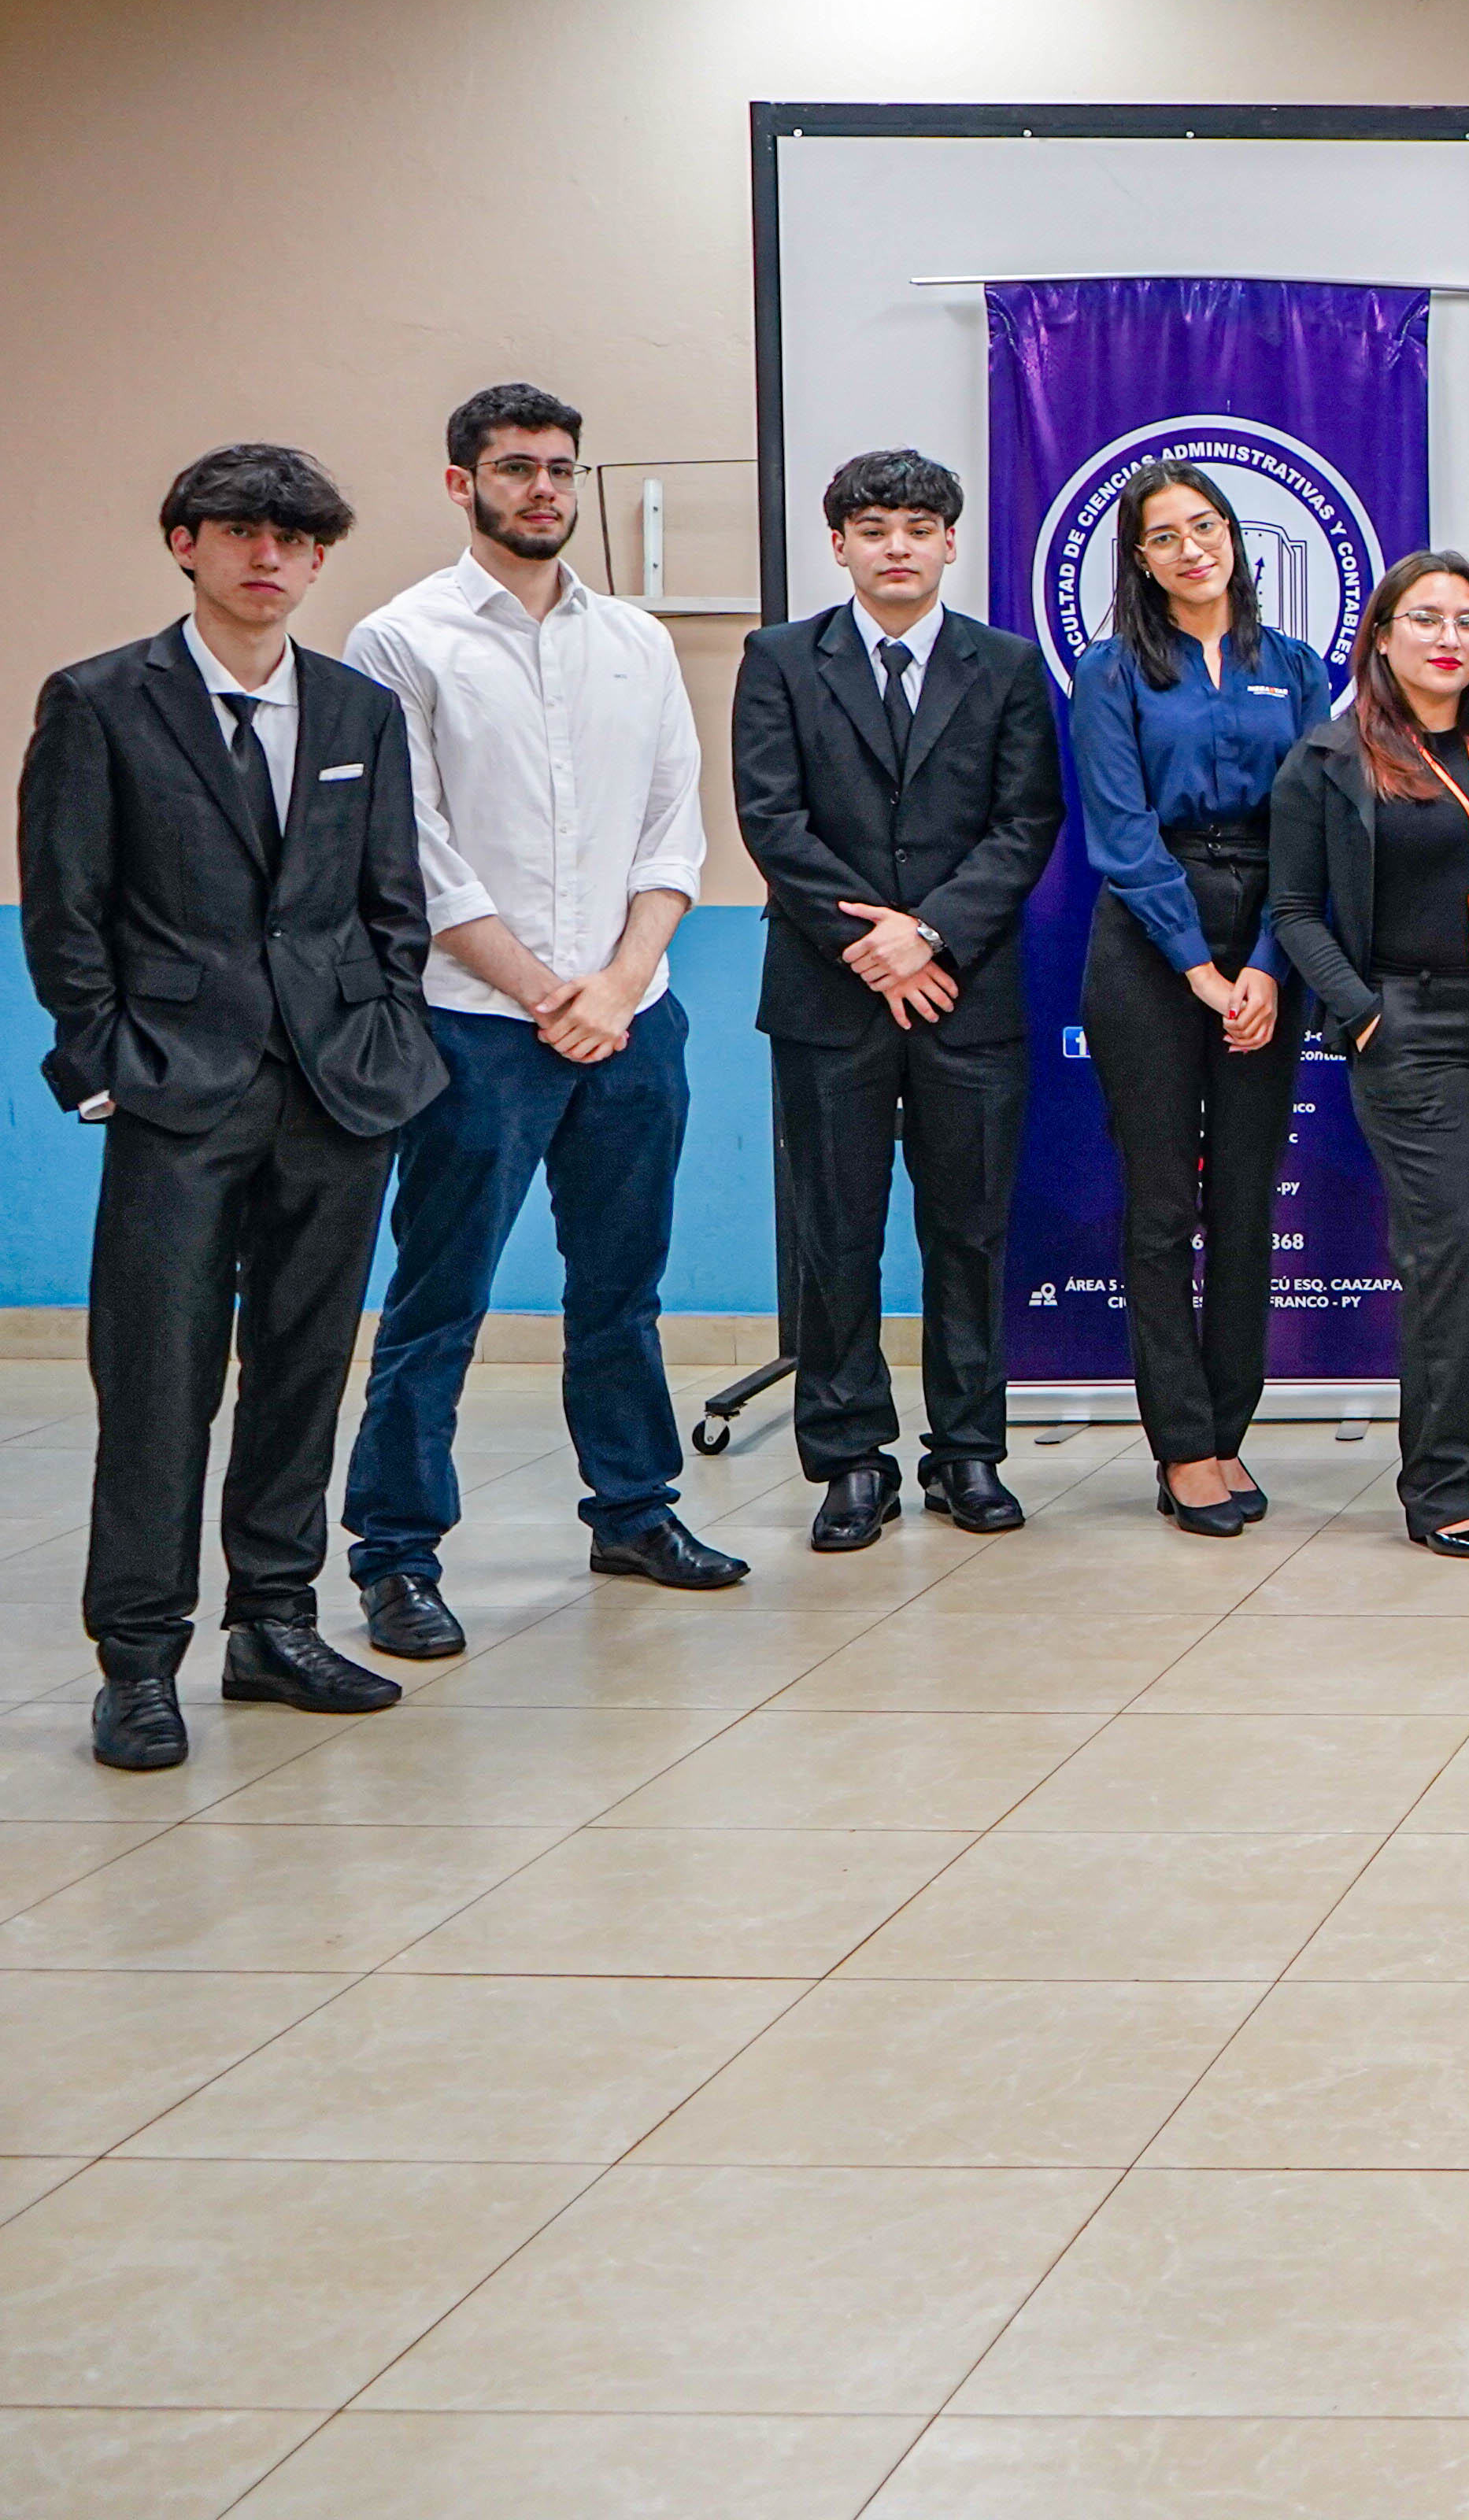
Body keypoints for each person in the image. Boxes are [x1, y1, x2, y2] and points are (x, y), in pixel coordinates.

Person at [22, 447, 446, 1770]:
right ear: (184, 545)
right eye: (241, 534)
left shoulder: (359, 710)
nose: (269, 557)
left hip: (337, 1092)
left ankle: (274, 1621)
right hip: (175, 1095)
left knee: (305, 1369)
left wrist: (388, 1033)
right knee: (156, 1382)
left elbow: (392, 901)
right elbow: (65, 908)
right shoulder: (99, 702)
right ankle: (139, 1660)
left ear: (321, 563)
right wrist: (102, 1060)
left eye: (296, 540)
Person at [338, 382, 740, 1652]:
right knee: (438, 1295)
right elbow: (414, 850)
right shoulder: (398, 641)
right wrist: (538, 992)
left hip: (635, 1021)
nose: (546, 490)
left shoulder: (633, 640)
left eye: (562, 468)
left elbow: (677, 827)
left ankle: (633, 1508)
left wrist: (619, 984)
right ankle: (397, 1553)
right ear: (463, 485)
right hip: (474, 1026)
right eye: (517, 470)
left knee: (620, 1290)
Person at [731, 449, 1065, 1555]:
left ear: (951, 543)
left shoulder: (1007, 665)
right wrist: (873, 941)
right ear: (838, 545)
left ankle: (967, 1452)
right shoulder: (780, 659)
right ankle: (851, 1459)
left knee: (967, 1231)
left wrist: (928, 934)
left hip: (966, 996)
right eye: (873, 528)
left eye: (919, 527)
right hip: (829, 997)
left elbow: (1027, 822)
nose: (897, 547)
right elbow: (772, 821)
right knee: (838, 1235)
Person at [1270, 551, 1469, 1560]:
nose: (1450, 638)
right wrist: (1363, 1011)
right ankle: (1434, 1481)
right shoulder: (1330, 758)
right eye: (1427, 619)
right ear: (1383, 637)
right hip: (1410, 1025)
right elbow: (1292, 909)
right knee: (1453, 1240)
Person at [1070, 459, 1329, 1537]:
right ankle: (1179, 1445)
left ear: (1237, 538)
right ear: (1139, 558)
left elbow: (1313, 826)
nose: (1192, 548)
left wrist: (1267, 963)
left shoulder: (1299, 669)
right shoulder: (1111, 671)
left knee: (1243, 1207)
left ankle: (1228, 1432)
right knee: (1165, 1204)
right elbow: (1122, 836)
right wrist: (1201, 968)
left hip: (1270, 934)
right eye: (1165, 535)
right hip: (1148, 943)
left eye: (1207, 526)